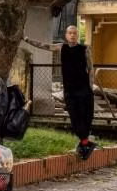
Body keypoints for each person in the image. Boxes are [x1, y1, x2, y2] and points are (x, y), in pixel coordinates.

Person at [23, 26, 95, 158]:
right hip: (69, 90)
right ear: (66, 35)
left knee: (85, 117)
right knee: (74, 116)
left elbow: (91, 68)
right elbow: (44, 46)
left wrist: (90, 87)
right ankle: (85, 143)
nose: (72, 35)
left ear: (77, 35)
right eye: (70, 33)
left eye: (74, 33)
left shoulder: (85, 49)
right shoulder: (61, 47)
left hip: (84, 89)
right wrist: (27, 40)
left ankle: (84, 144)